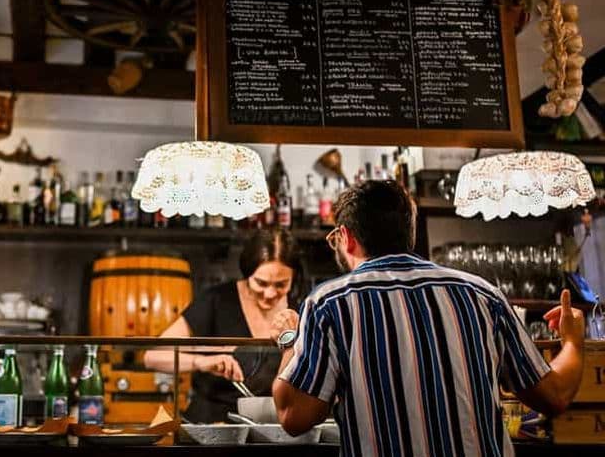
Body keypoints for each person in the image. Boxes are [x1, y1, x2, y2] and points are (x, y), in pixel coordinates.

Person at [271, 180, 585, 457]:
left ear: (346, 237)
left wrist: (289, 340)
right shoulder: (483, 295)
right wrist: (572, 341)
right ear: (410, 230)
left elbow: (294, 416)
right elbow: (554, 395)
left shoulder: (330, 303)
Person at [144, 229, 308, 423]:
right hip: (211, 427)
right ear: (248, 273)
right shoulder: (216, 300)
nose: (270, 293)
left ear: (293, 278)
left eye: (281, 284)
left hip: (273, 427)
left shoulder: (301, 310)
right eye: (261, 283)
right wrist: (201, 362)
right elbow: (152, 357)